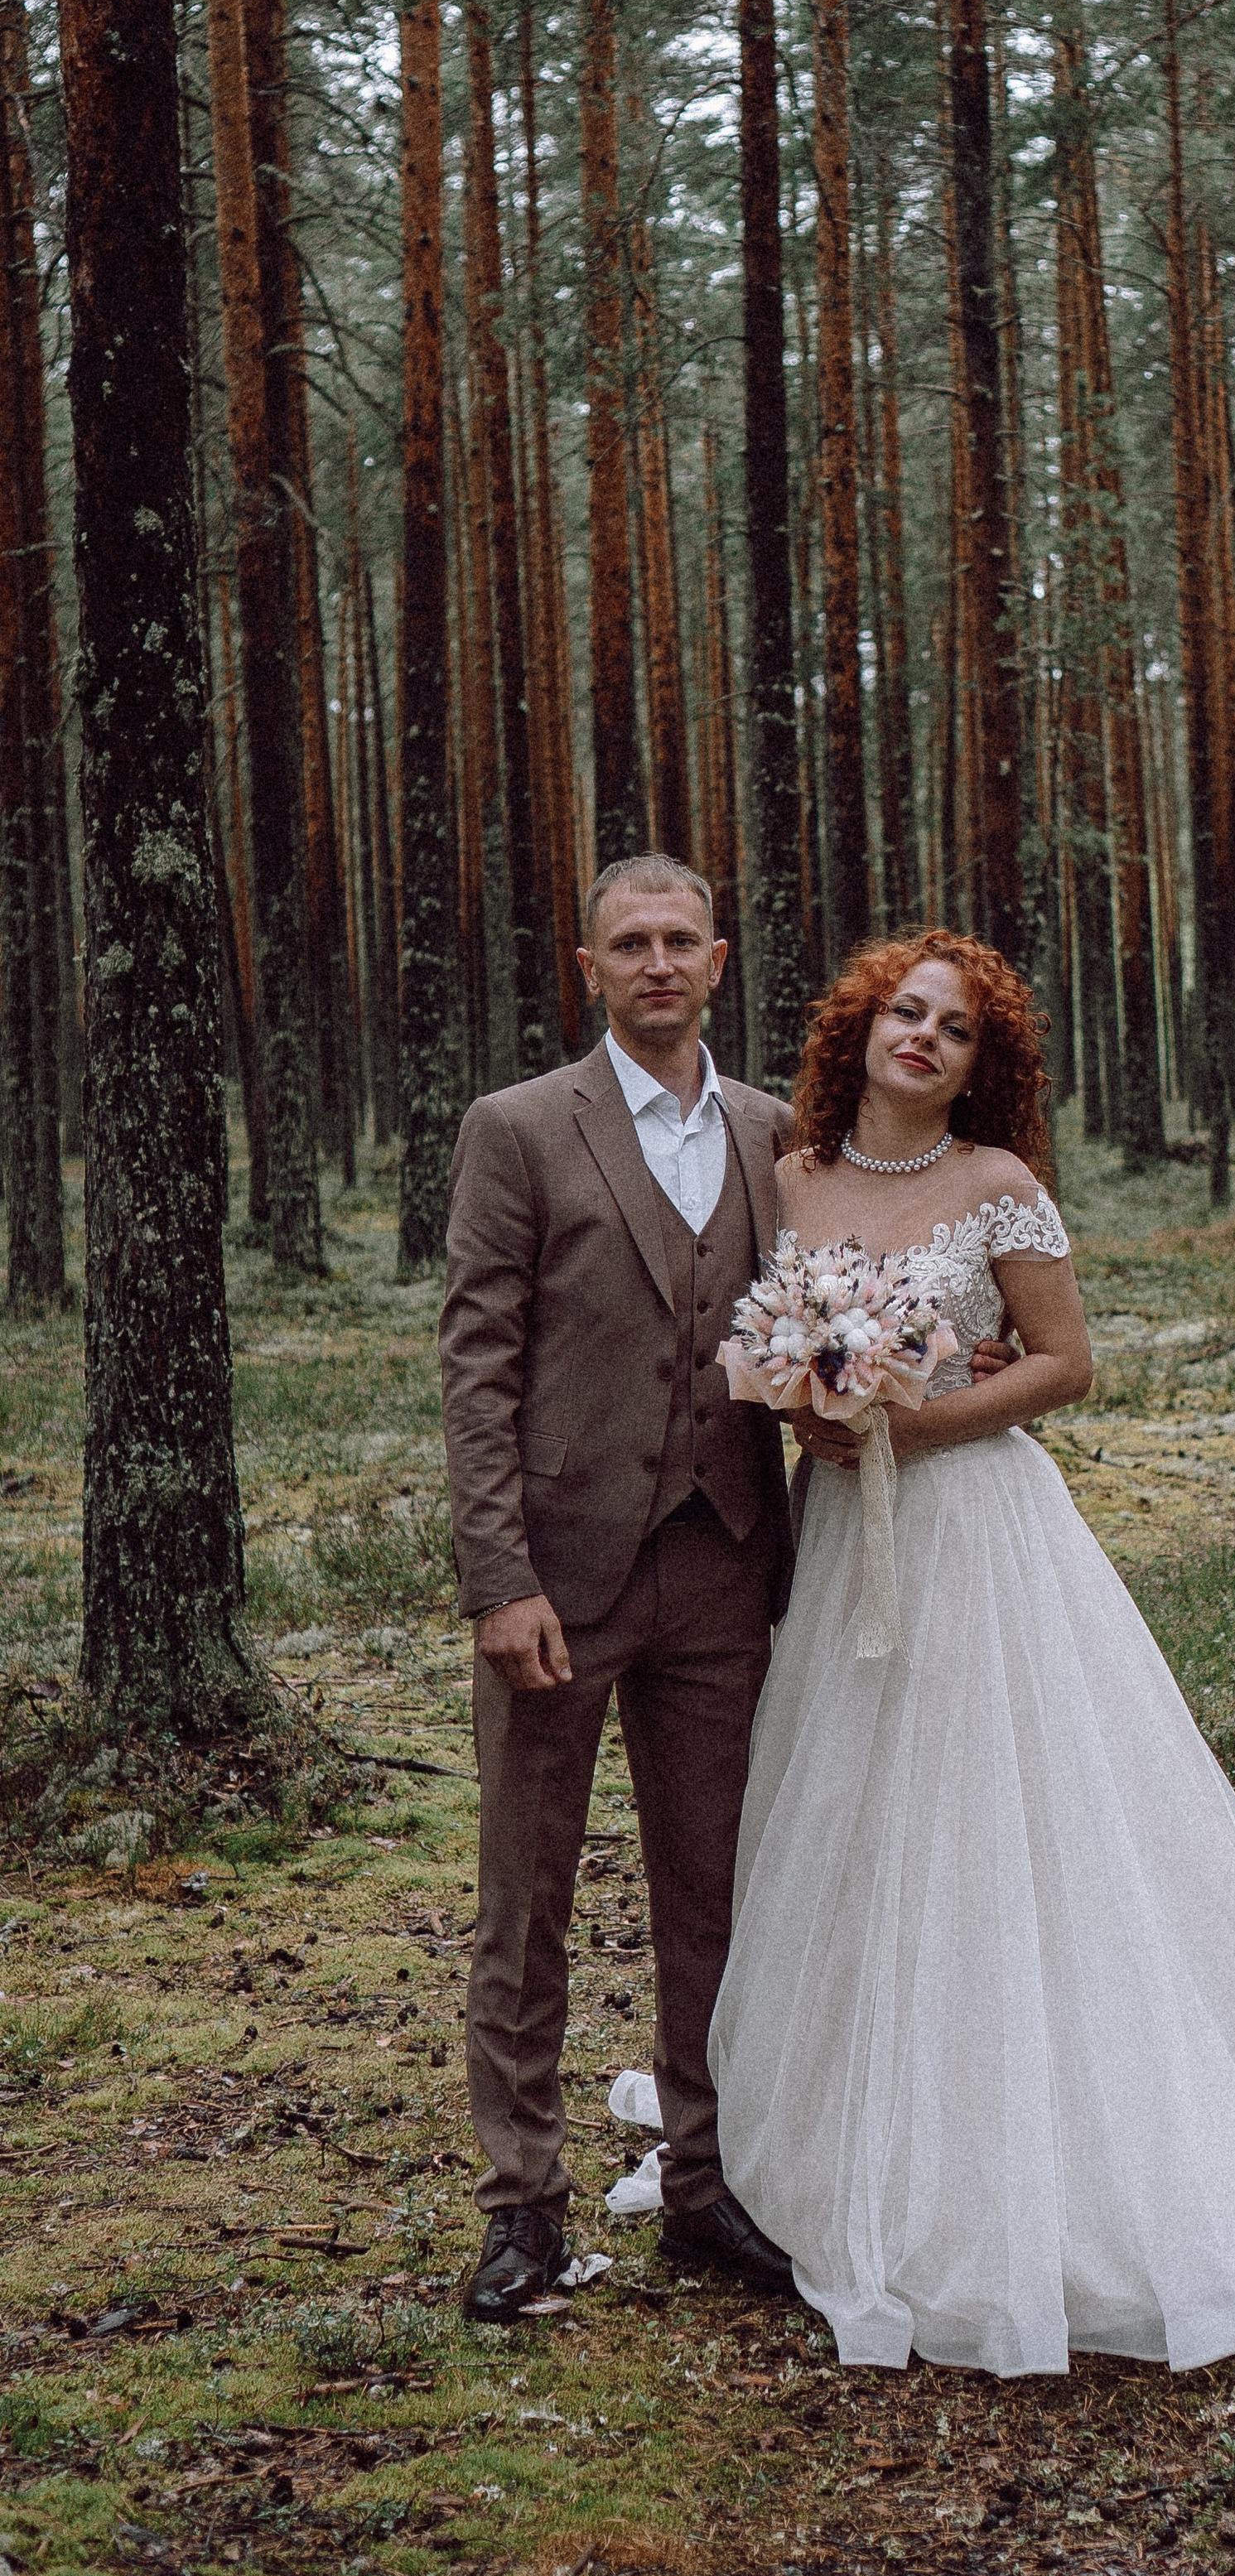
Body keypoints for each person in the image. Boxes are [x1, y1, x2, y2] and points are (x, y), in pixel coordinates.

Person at [705, 930, 1235, 2376]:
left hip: (977, 1535)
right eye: (905, 1014)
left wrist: (911, 1420)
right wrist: (812, 1409)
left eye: (954, 1030)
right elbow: (778, 1353)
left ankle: (1048, 2155)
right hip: (843, 1536)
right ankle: (859, 2135)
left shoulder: (1000, 1189)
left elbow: (1064, 1366)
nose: (923, 1040)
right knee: (851, 1824)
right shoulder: (797, 1179)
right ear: (861, 1029)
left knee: (1005, 1819)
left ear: (985, 1061)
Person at [437, 856, 806, 2321]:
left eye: (680, 942)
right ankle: (520, 2210)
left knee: (715, 1893)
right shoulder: (520, 1129)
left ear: (719, 962)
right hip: (560, 1584)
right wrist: (498, 1575)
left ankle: (709, 2187)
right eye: (628, 944)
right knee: (522, 1902)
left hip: (725, 1568)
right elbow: (476, 1365)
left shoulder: (782, 1133)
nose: (657, 964)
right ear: (587, 967)